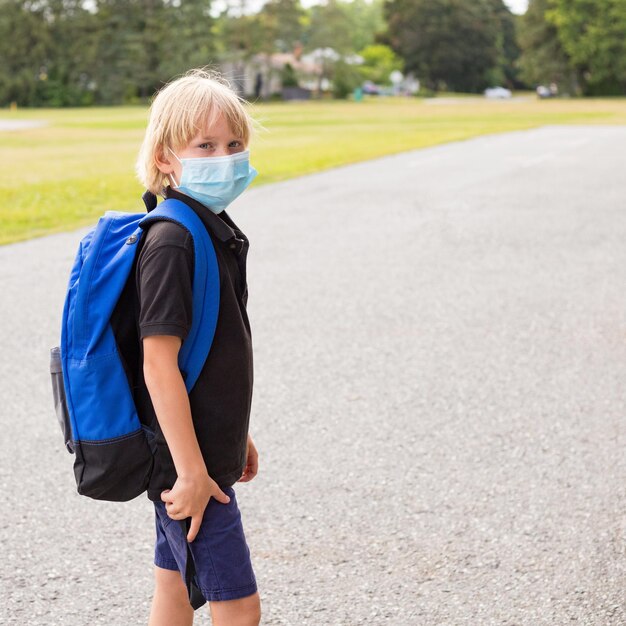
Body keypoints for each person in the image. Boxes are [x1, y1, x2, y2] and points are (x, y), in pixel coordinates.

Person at [128, 68, 261, 626]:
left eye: (233, 144)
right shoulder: (173, 240)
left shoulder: (209, 227)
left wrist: (237, 433)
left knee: (175, 592)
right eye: (204, 145)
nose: (223, 157)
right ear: (165, 157)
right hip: (192, 471)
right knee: (238, 609)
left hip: (198, 456)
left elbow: (206, 353)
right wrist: (192, 472)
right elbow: (158, 364)